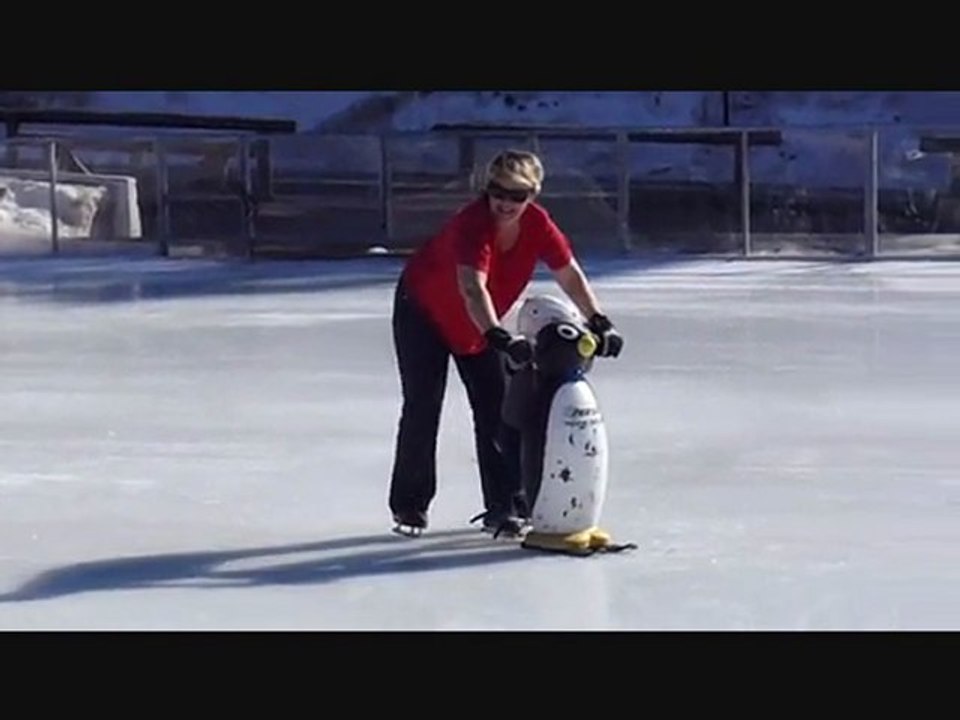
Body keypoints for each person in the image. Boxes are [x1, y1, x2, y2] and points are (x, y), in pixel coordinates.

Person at [388, 149, 623, 538]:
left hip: (477, 326)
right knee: (423, 403)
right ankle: (410, 507)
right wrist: (497, 334)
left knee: (497, 412)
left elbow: (569, 274)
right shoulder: (473, 224)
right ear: (487, 189)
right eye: (499, 191)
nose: (506, 203)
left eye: (519, 195)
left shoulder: (538, 224)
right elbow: (471, 286)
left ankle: (504, 505)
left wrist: (599, 320)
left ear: (534, 194)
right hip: (423, 313)